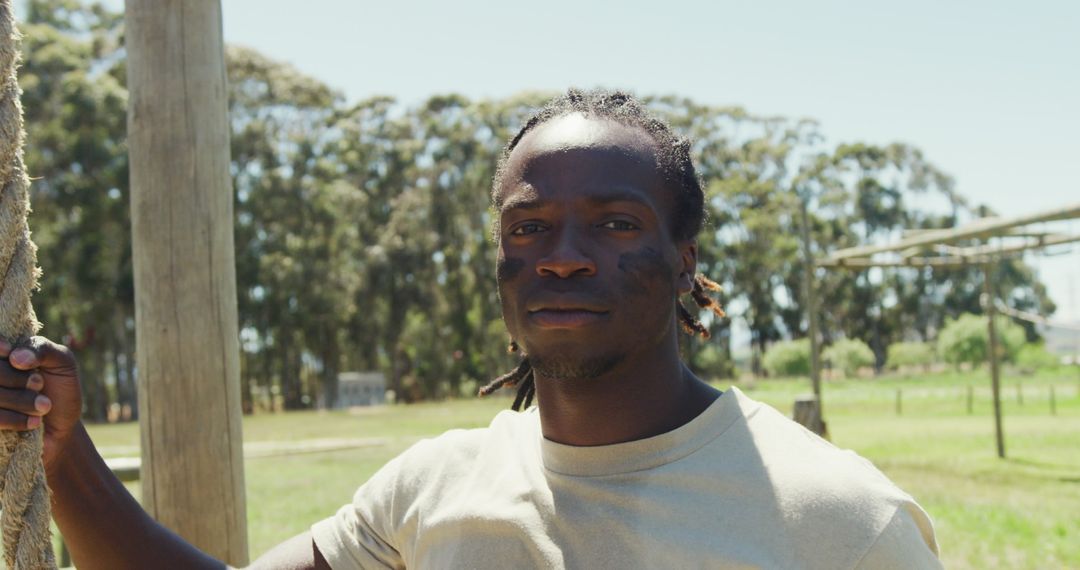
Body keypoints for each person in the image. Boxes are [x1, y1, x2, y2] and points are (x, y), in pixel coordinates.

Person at [0, 89, 941, 569]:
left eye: (615, 224)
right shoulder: (433, 488)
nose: (562, 256)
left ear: (686, 261)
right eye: (529, 227)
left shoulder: (843, 525)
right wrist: (63, 450)